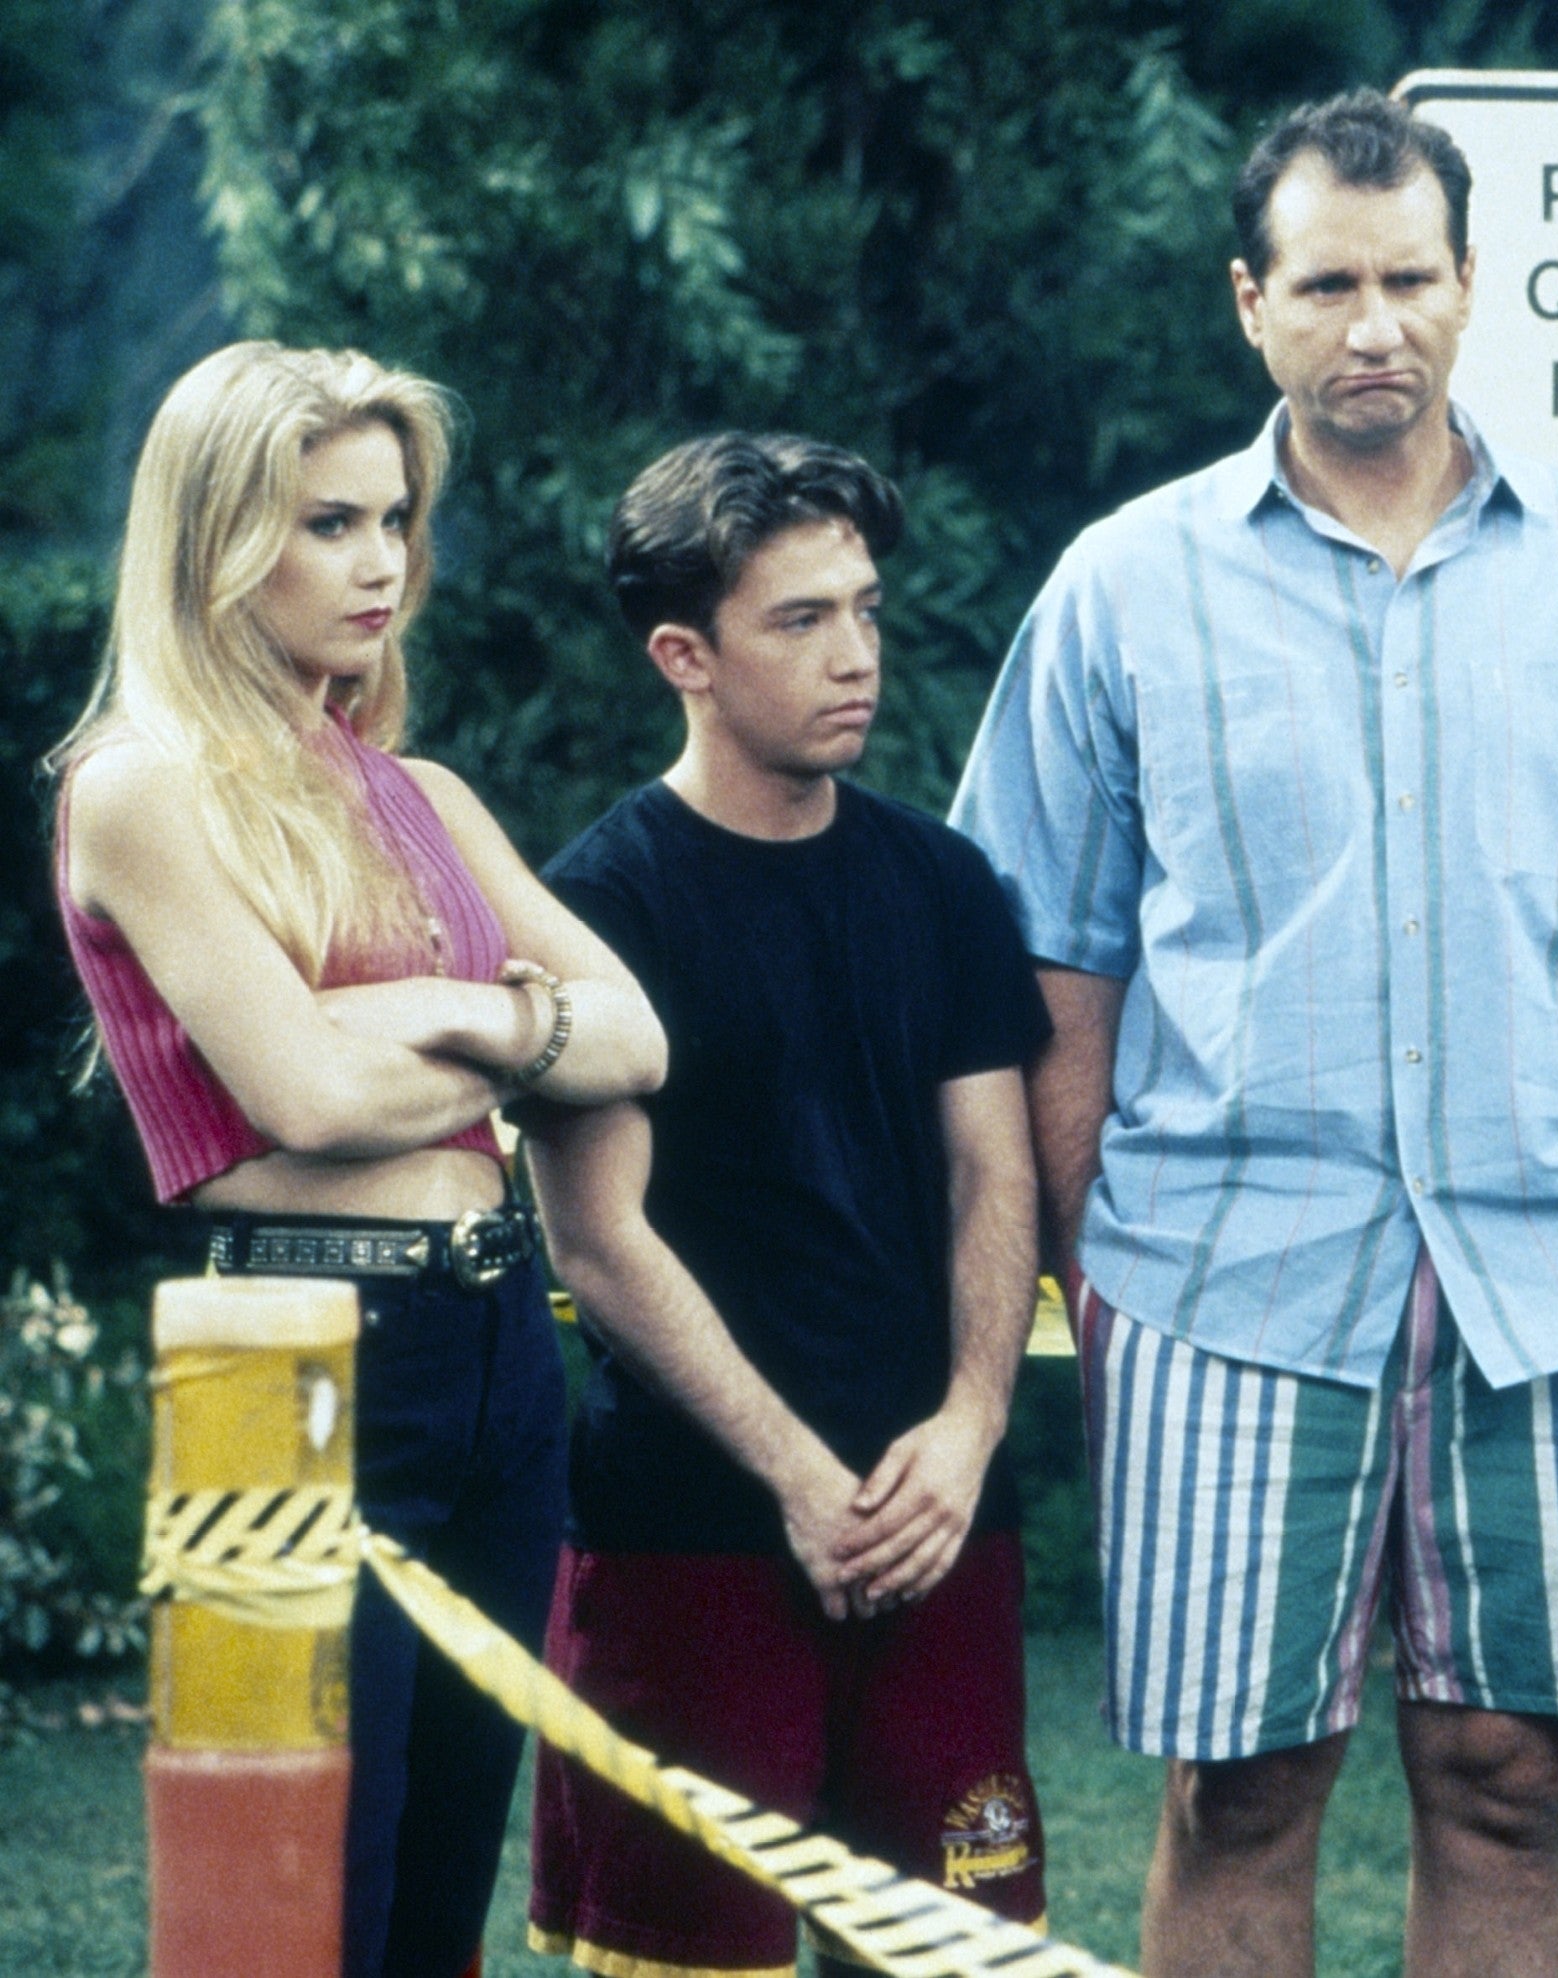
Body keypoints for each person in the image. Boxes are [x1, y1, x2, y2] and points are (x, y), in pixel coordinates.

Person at [951, 87, 1558, 1978]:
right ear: (1249, 302)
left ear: (1469, 284)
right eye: (1329, 285)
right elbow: (1052, 962)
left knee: (1507, 1776)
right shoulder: (1126, 583)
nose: (1377, 326)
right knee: (1239, 1789)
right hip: (1222, 1275)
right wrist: (1097, 1259)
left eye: (1412, 281)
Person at [48, 341, 668, 1978]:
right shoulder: (139, 787)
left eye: (395, 519)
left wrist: (452, 1015)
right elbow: (307, 1094)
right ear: (216, 540)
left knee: (439, 1899)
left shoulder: (426, 795)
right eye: (328, 522)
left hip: (497, 1346)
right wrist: (517, 1038)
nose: (381, 560)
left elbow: (639, 1040)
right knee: (299, 1902)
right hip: (298, 1356)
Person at [517, 434, 1056, 1975]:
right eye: (802, 619)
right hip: (691, 1534)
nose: (856, 655)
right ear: (683, 655)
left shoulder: (942, 882)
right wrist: (802, 1480)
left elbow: (994, 1170)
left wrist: (970, 1423)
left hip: (937, 1515)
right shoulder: (597, 903)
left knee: (951, 1955)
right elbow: (598, 1240)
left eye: (865, 610)